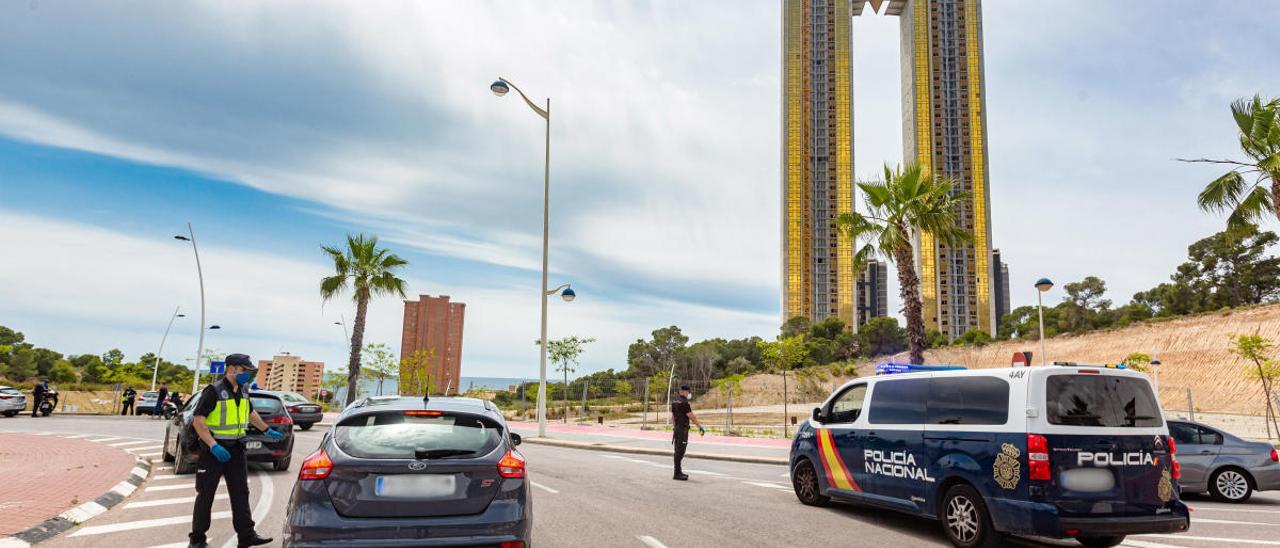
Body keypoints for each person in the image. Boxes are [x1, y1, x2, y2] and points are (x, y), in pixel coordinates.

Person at [187, 353, 278, 548]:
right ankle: (197, 540)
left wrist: (266, 429)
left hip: (236, 450)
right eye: (245, 370)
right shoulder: (213, 391)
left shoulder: (244, 390)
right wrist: (213, 445)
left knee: (240, 493)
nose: (248, 374)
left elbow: (251, 413)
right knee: (206, 494)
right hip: (214, 451)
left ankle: (246, 536)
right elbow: (198, 421)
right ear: (231, 369)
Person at [670, 384, 705, 481]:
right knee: (680, 451)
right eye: (688, 392)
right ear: (685, 392)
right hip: (682, 430)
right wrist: (700, 427)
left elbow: (673, 416)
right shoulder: (685, 403)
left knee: (677, 450)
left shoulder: (674, 401)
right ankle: (677, 473)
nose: (689, 394)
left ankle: (678, 472)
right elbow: (692, 416)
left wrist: (674, 427)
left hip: (677, 429)